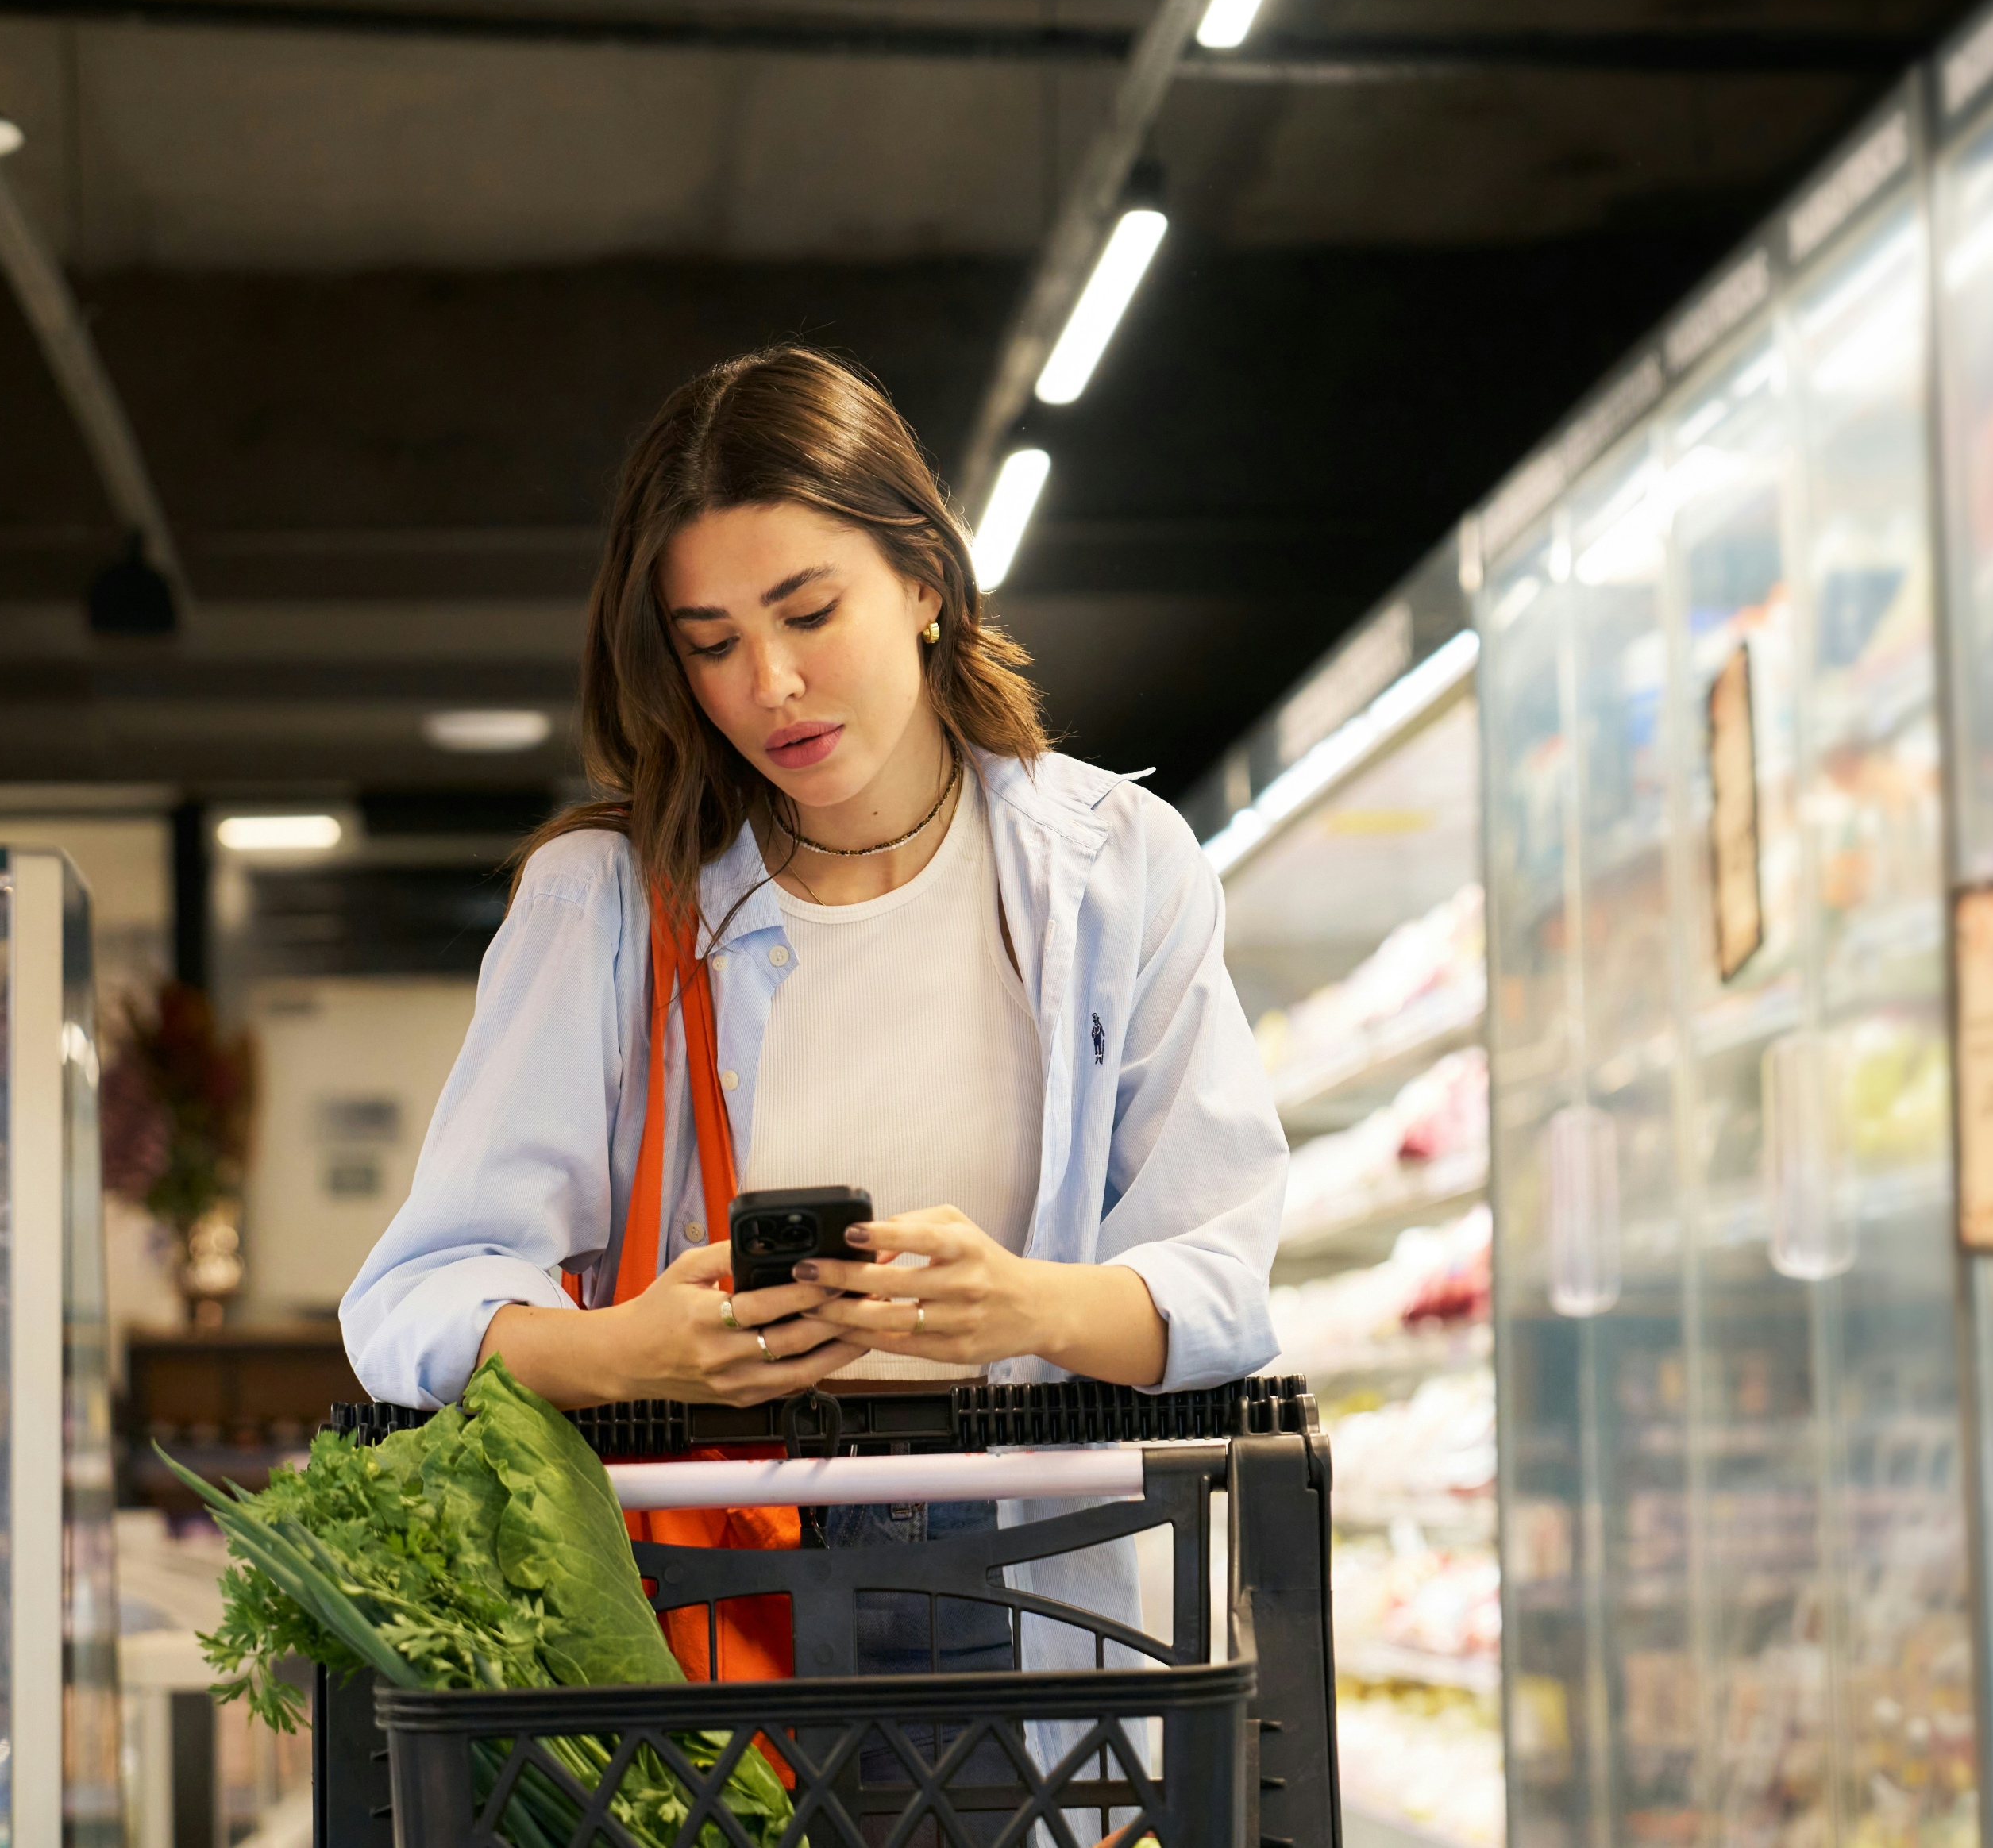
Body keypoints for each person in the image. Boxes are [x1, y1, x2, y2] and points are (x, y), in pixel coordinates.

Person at [339, 344, 1287, 1705]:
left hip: (1030, 1566)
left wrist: (1023, 1305)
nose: (769, 682)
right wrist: (631, 1350)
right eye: (712, 643)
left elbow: (1223, 1281)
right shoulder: (607, 898)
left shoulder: (1117, 866)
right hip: (695, 1579)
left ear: (922, 578)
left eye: (807, 610)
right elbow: (412, 1299)